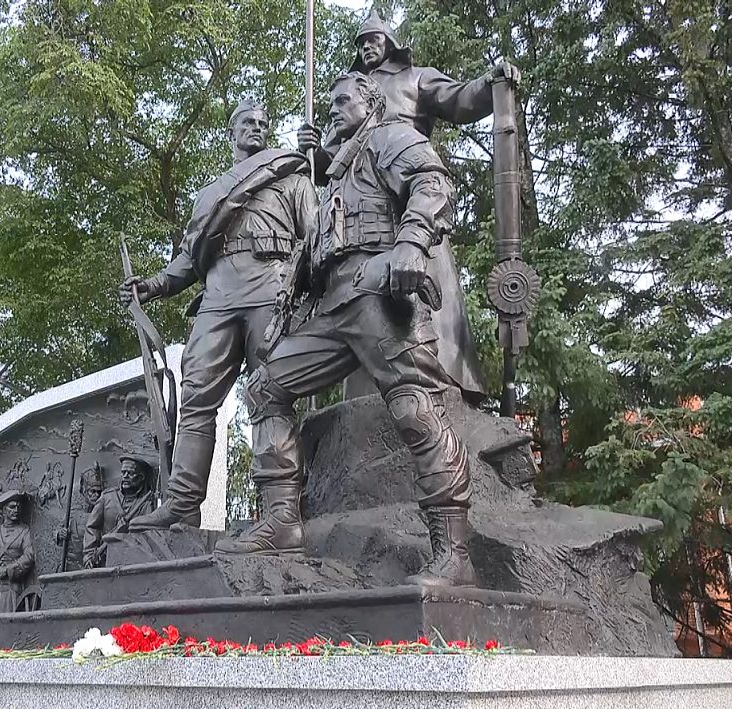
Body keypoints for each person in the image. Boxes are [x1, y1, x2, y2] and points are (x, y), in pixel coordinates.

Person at [220, 73, 477, 588]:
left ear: (371, 103)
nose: (333, 109)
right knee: (265, 385)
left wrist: (412, 243)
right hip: (333, 307)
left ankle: (454, 552)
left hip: (378, 294)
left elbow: (433, 182)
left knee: (415, 408)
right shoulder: (336, 175)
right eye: (331, 102)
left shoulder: (387, 137)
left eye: (343, 101)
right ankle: (281, 521)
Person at [297, 12, 520, 401]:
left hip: (409, 189)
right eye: (361, 42)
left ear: (389, 42)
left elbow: (459, 100)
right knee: (359, 301)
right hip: (361, 206)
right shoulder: (348, 96)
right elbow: (329, 163)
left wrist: (490, 83)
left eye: (373, 39)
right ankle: (369, 393)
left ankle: (444, 379)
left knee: (424, 279)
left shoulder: (416, 78)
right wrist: (312, 151)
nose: (367, 46)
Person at [121, 101, 318, 532]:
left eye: (264, 124)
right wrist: (155, 284)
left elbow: (317, 240)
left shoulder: (293, 176)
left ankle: (280, 511)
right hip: (218, 295)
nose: (257, 128)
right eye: (248, 122)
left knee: (271, 393)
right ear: (231, 133)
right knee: (196, 397)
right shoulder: (210, 194)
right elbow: (191, 257)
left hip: (271, 289)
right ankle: (182, 503)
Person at [84, 455, 157, 567]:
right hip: (105, 561)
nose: (125, 476)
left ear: (141, 477)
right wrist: (89, 554)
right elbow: (92, 527)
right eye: (123, 472)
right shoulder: (107, 497)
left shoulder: (148, 503)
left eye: (130, 473)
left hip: (133, 562)